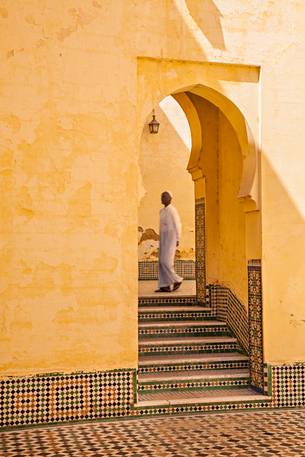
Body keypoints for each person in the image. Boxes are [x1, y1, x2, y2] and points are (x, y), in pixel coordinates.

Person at [155, 191, 183, 292]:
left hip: (171, 237)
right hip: (163, 237)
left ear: (170, 198)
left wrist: (178, 238)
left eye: (165, 196)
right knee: (161, 262)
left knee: (166, 261)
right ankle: (164, 285)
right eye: (162, 196)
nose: (162, 198)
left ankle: (177, 280)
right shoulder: (161, 211)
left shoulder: (172, 210)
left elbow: (177, 224)